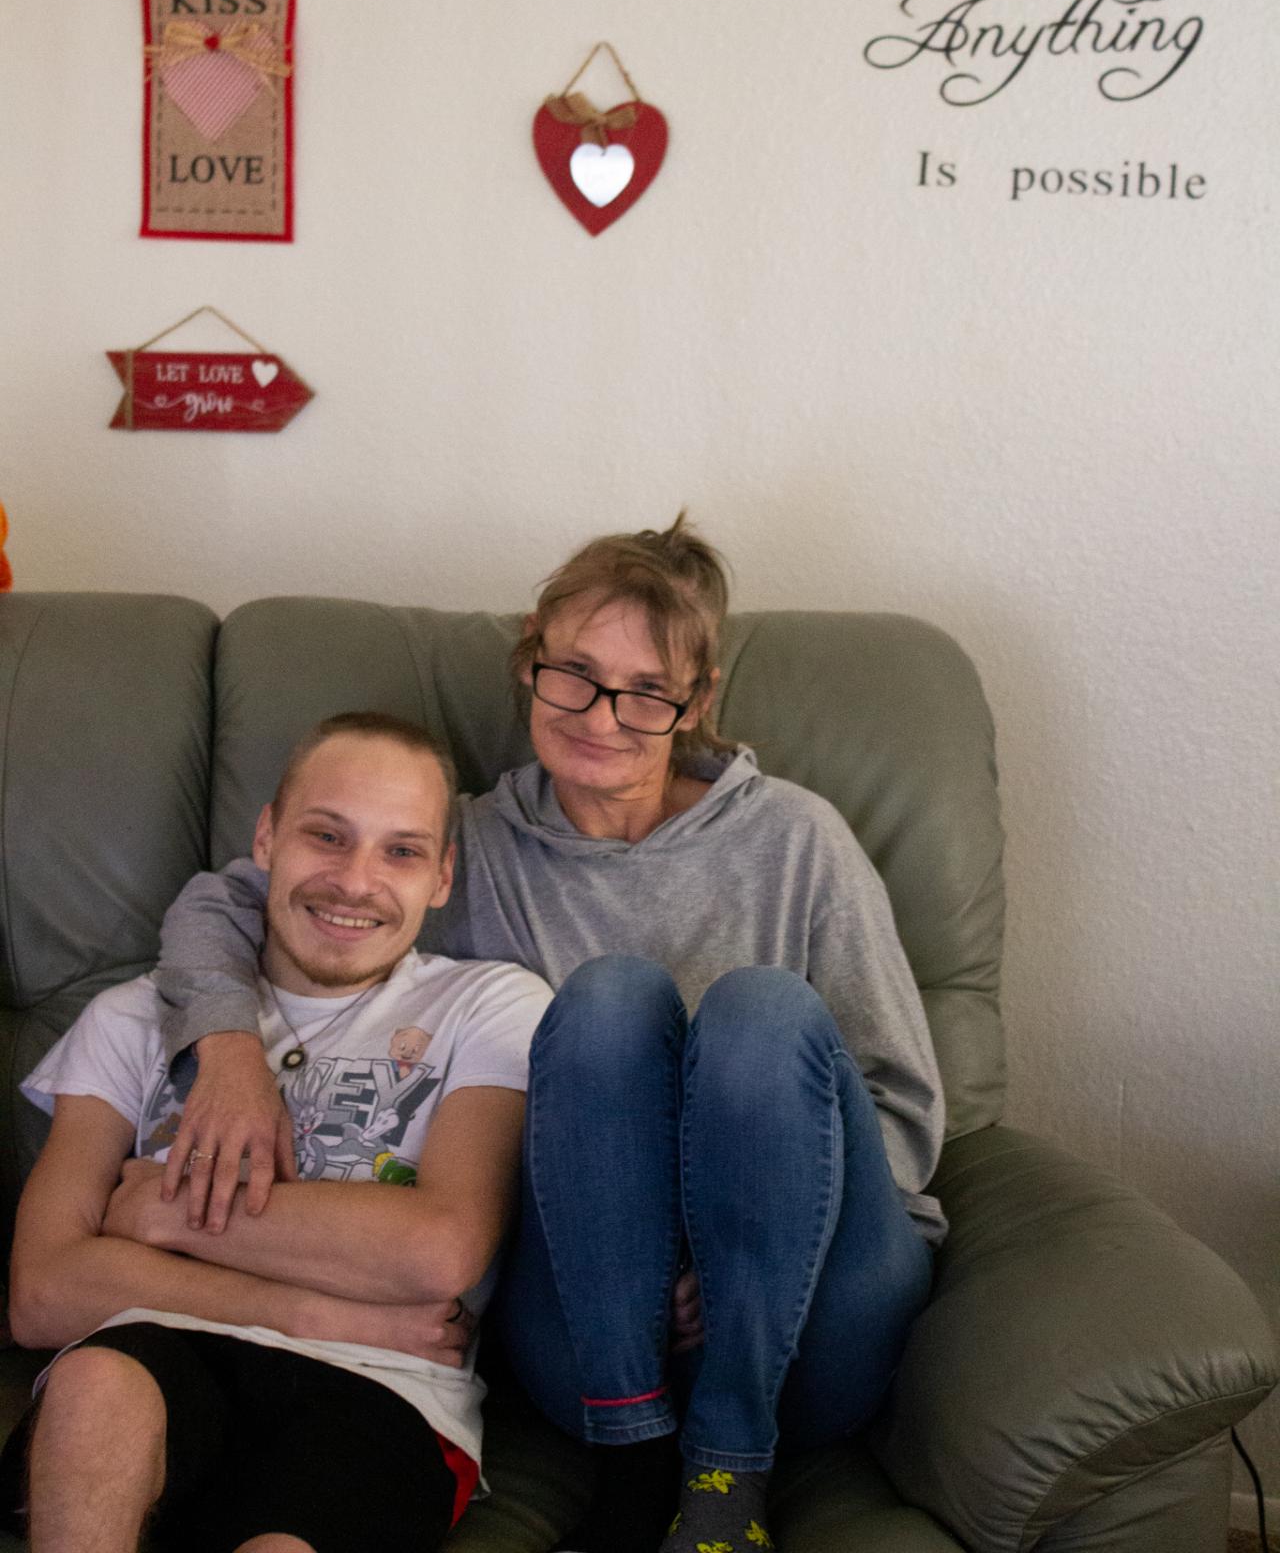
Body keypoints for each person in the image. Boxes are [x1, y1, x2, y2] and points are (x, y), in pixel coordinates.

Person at [155, 517, 946, 1553]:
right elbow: (225, 905)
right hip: (591, 1318)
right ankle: (632, 1468)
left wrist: (743, 1243)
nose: (602, 717)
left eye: (644, 690)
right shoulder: (465, 848)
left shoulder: (795, 838)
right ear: (528, 659)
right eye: (572, 672)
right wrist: (226, 1053)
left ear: (695, 701)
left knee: (760, 1009)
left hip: (811, 1314)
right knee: (606, 1001)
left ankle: (728, 1470)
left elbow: (901, 1109)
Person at [4, 712, 551, 1553]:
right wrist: (325, 1309)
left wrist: (164, 1215)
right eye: (326, 836)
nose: (355, 882)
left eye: (401, 851)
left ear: (443, 876)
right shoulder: (131, 1017)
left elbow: (438, 1251)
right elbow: (41, 1292)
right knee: (91, 1385)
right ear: (266, 838)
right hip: (153, 1360)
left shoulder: (489, 1008)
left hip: (383, 1393)